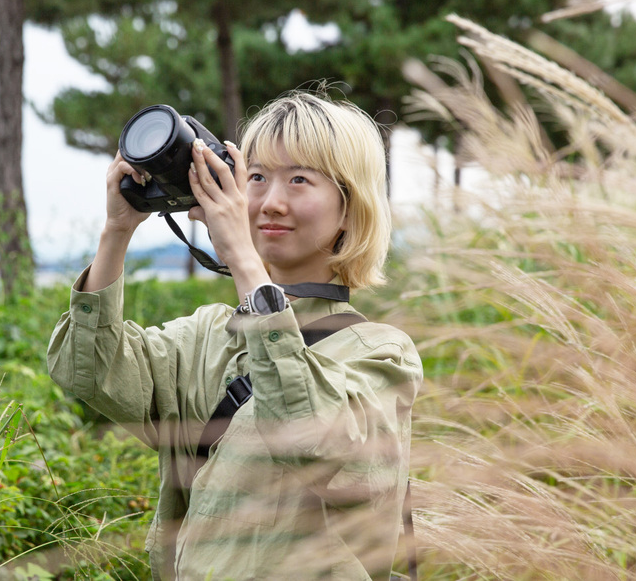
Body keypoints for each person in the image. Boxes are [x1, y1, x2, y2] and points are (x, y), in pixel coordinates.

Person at [47, 90, 423, 580]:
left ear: (351, 209)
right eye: (258, 177)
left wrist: (244, 259)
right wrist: (116, 231)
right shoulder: (208, 334)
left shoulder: (382, 354)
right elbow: (89, 370)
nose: (271, 202)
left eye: (300, 179)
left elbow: (310, 435)